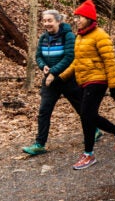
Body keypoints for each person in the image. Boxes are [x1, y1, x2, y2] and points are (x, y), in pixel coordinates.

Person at [55, 0, 115, 170]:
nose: (77, 20)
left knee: (86, 114)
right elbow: (76, 62)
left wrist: (113, 86)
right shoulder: (80, 36)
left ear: (89, 18)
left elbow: (109, 61)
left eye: (80, 17)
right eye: (76, 17)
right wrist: (62, 77)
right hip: (84, 80)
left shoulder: (100, 35)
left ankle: (89, 154)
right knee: (88, 114)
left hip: (98, 80)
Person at [22, 10, 83, 156]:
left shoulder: (68, 36)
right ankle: (40, 144)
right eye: (44, 21)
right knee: (44, 111)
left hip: (67, 79)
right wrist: (43, 66)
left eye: (50, 21)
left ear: (58, 21)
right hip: (50, 80)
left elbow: (69, 57)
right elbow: (38, 56)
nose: (46, 24)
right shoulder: (43, 38)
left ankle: (95, 130)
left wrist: (54, 72)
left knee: (82, 108)